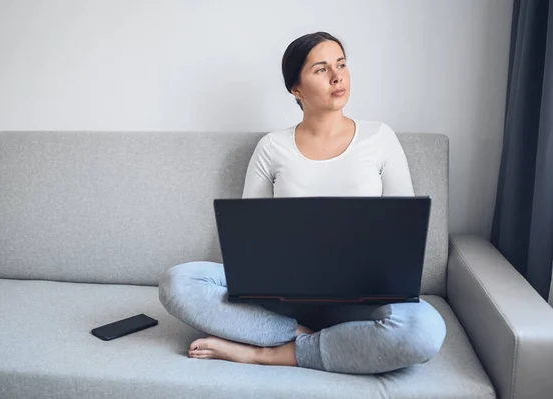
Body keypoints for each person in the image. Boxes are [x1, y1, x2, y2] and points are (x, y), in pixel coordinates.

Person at [158, 32, 446, 375]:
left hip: (363, 296)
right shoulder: (272, 147)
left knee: (423, 332)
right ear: (296, 88)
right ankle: (298, 335)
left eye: (341, 65)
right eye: (321, 69)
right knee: (179, 282)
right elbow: (249, 240)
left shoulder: (380, 138)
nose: (337, 77)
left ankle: (266, 353)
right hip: (282, 300)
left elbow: (405, 232)